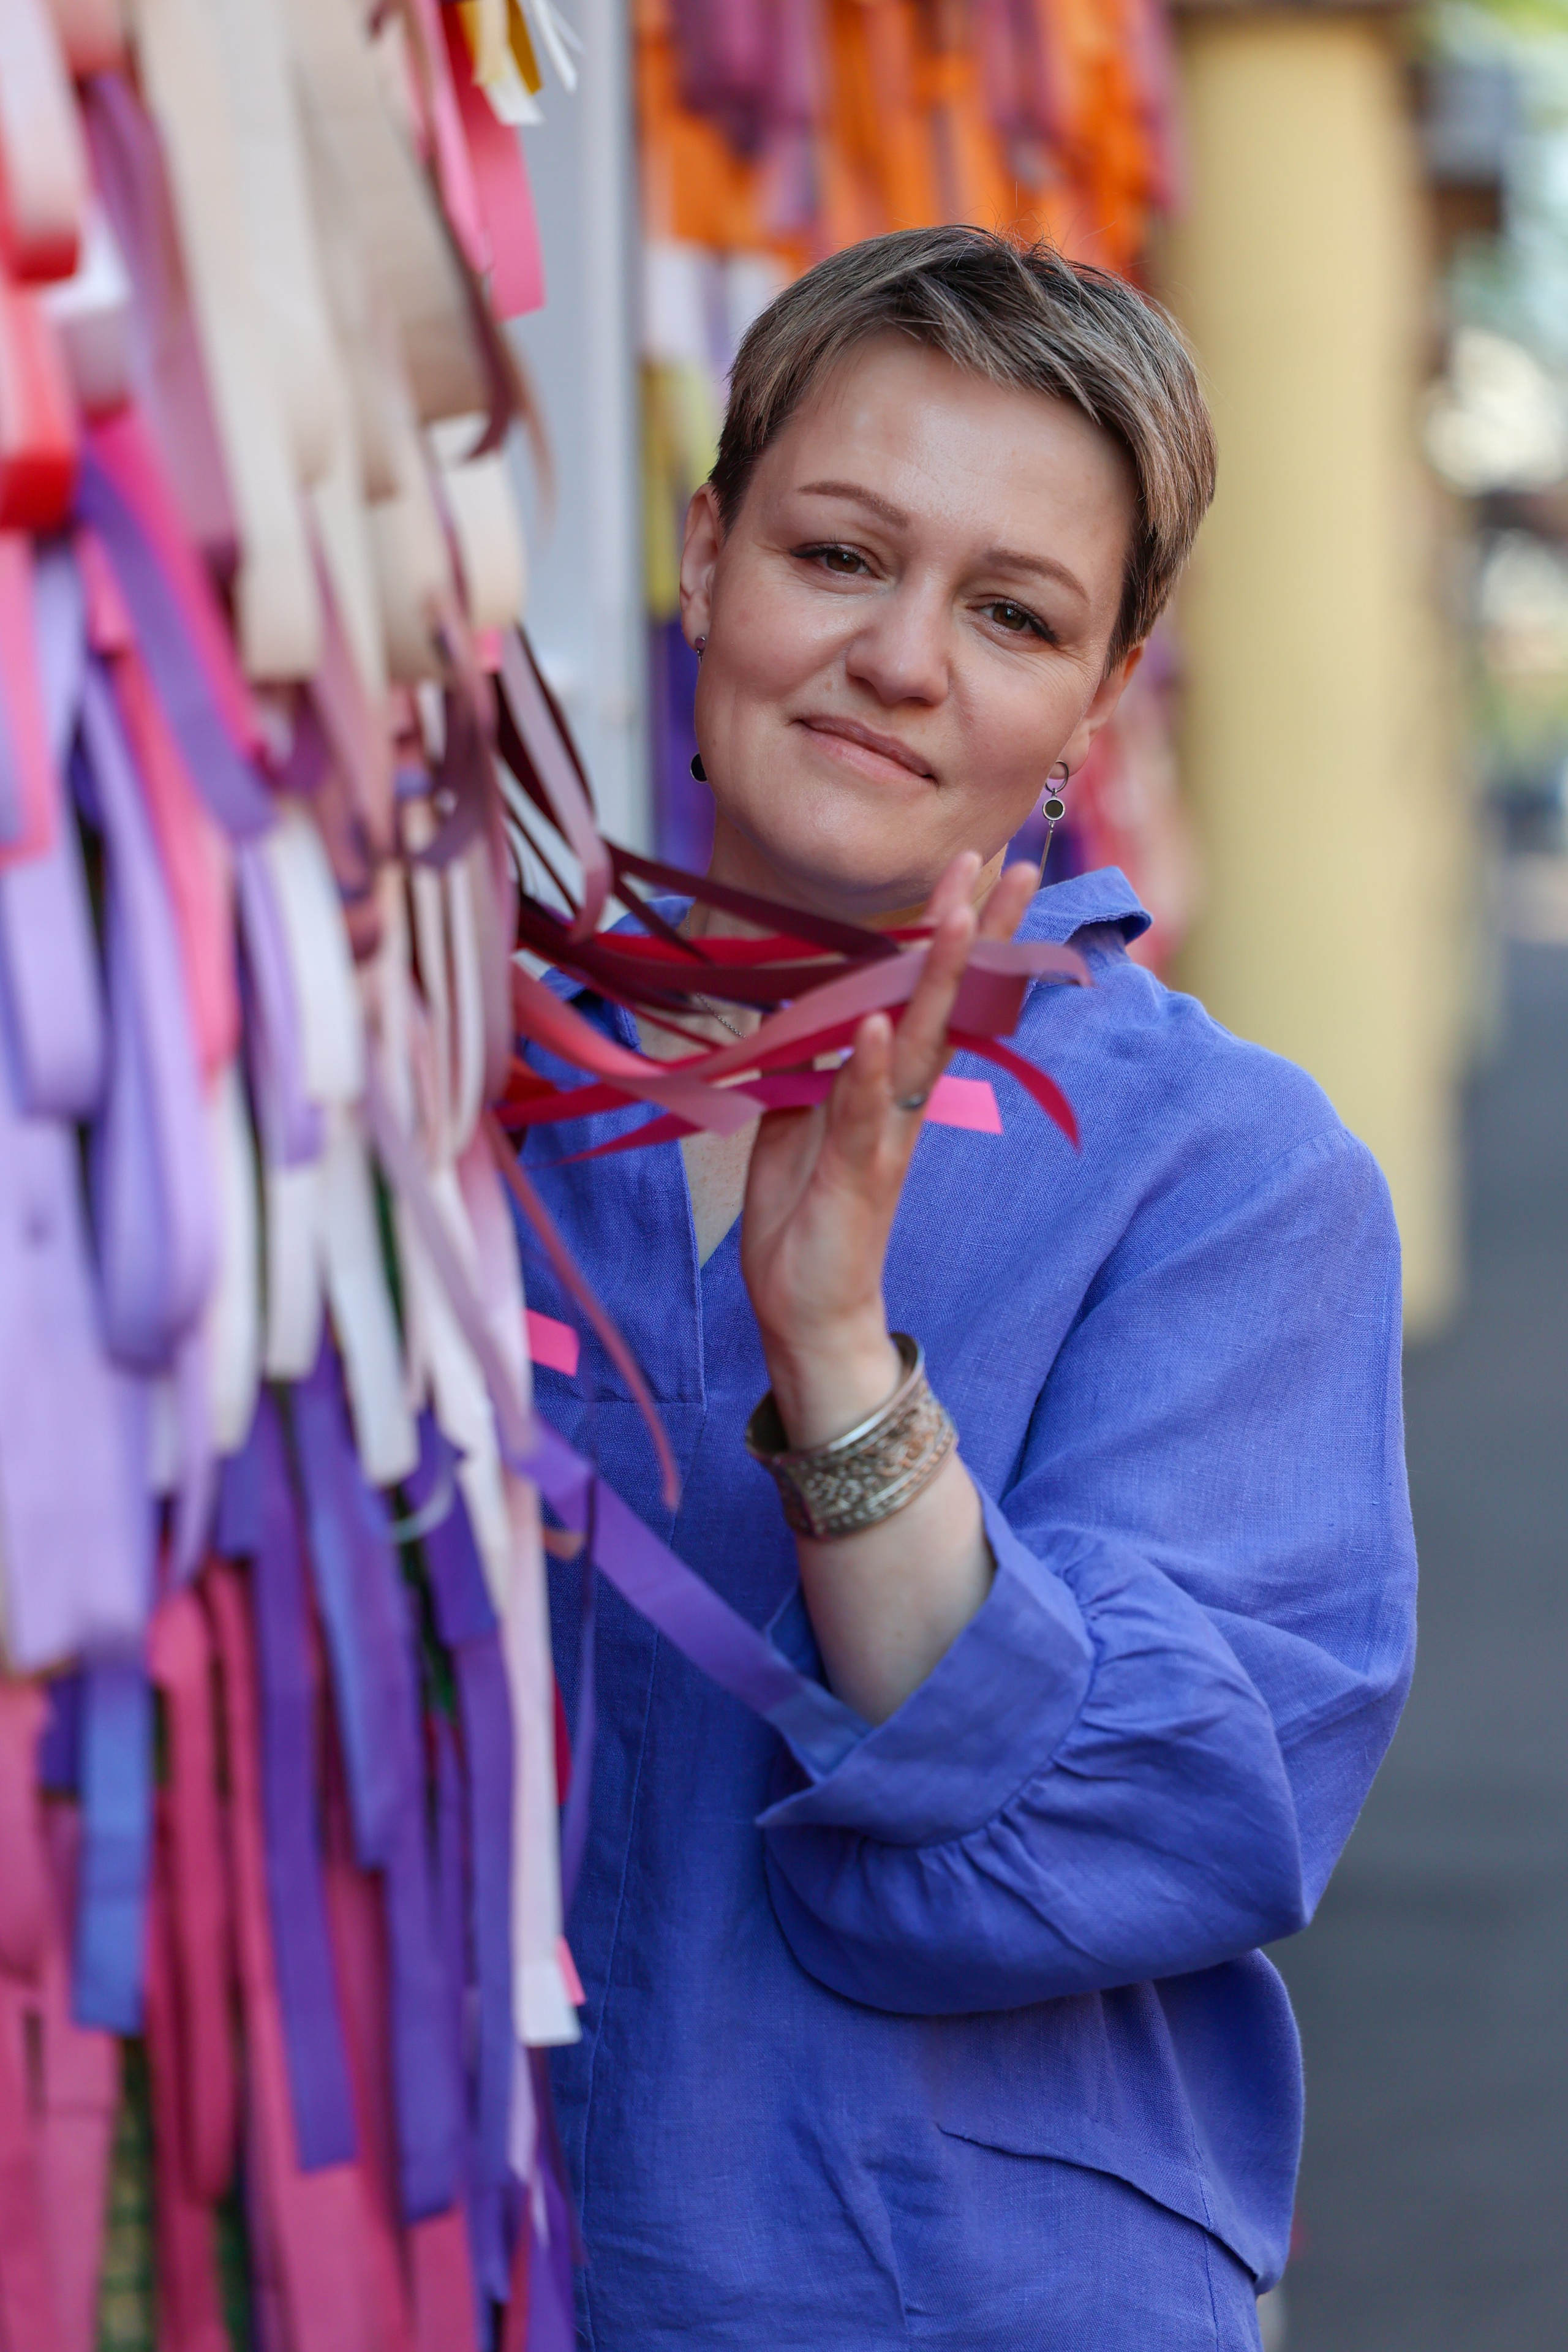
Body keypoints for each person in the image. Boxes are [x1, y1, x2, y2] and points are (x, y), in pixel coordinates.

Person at [519, 225, 1417, 2350]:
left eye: (1012, 612)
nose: (903, 658)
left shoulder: (1227, 1177)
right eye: (841, 554)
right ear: (707, 551)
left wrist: (834, 1354)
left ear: (1102, 694)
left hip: (956, 2302)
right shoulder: (470, 1094)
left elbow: (1149, 1826)